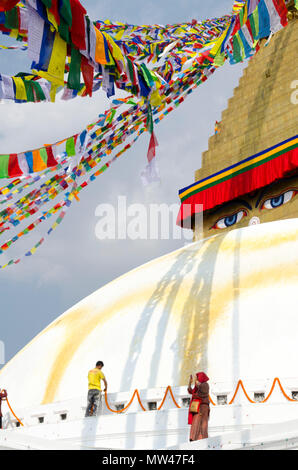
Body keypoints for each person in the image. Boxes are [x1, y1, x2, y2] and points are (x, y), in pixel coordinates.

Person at [187, 372, 210, 441]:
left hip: (203, 407)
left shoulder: (205, 385)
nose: (196, 379)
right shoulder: (198, 386)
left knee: (203, 424)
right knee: (196, 422)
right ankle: (194, 438)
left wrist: (197, 384)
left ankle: (203, 438)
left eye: (197, 377)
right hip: (198, 407)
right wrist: (190, 383)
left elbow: (203, 392)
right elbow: (191, 391)